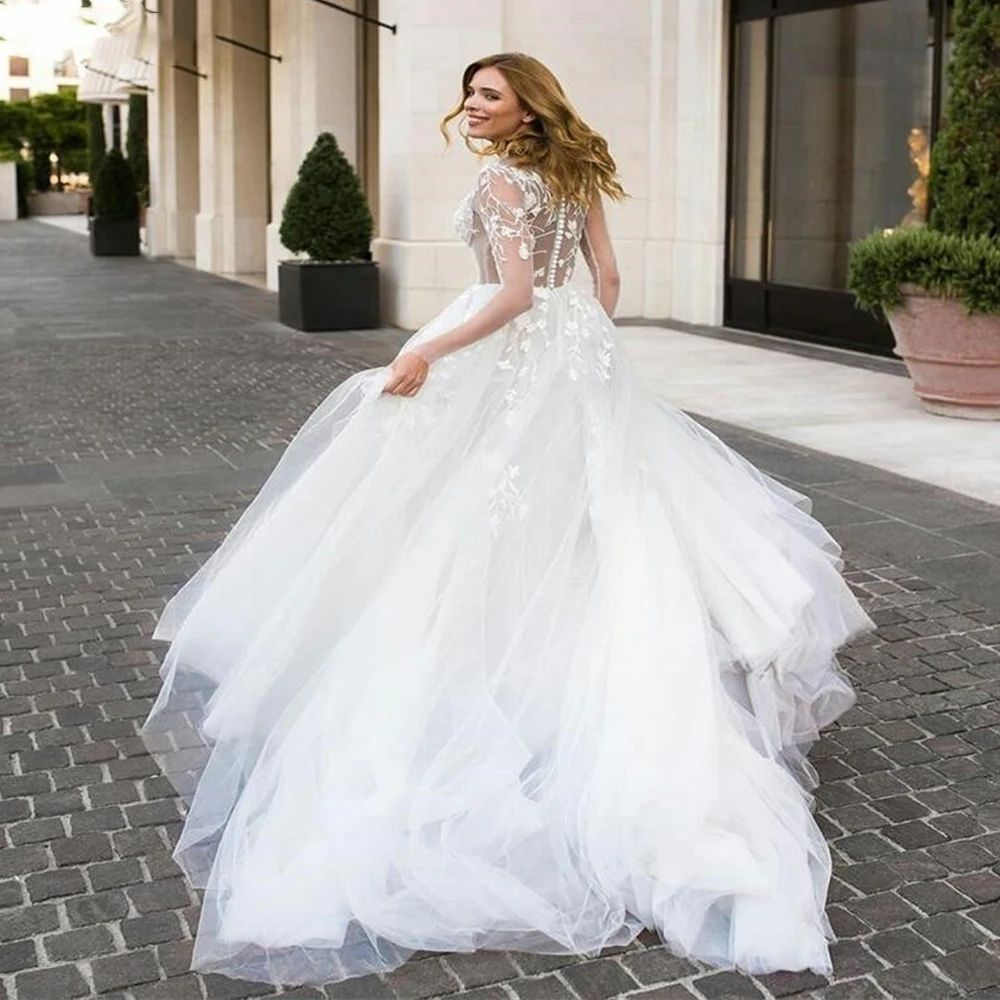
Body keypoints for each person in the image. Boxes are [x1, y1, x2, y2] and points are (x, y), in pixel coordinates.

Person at [141, 52, 873, 988]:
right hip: (581, 364)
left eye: (487, 93)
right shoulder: (575, 171)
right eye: (469, 94)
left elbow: (514, 293)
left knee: (473, 528)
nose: (470, 108)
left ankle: (502, 692)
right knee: (597, 527)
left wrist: (427, 353)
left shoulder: (499, 180)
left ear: (527, 103)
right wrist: (585, 362)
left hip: (510, 348)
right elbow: (602, 282)